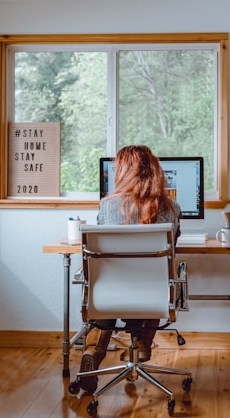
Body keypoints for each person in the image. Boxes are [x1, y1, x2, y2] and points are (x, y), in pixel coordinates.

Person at [79, 145, 182, 392]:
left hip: (109, 295)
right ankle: (142, 345)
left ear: (122, 173)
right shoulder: (173, 208)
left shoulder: (106, 207)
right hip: (153, 297)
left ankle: (93, 350)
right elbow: (171, 252)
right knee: (155, 282)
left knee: (106, 283)